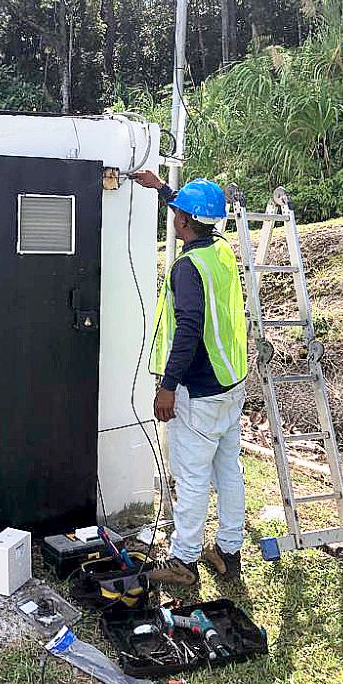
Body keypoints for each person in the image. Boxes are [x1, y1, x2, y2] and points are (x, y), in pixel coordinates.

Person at [131, 172, 248, 586]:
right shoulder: (221, 251)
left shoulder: (186, 267)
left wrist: (167, 385)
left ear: (183, 222)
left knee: (194, 478)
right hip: (230, 383)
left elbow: (188, 329)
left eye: (177, 210)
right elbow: (192, 212)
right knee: (228, 470)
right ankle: (229, 552)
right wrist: (161, 187)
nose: (175, 214)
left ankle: (184, 560)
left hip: (197, 389)